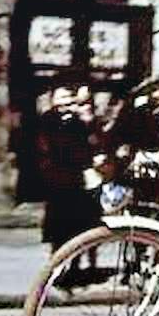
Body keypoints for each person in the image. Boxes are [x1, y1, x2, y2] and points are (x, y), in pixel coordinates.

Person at [35, 82, 101, 254]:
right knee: (58, 226)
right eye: (62, 97)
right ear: (54, 101)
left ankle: (76, 264)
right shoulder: (47, 120)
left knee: (78, 225)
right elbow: (45, 148)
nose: (66, 102)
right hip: (57, 179)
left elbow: (88, 146)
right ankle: (57, 262)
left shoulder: (78, 122)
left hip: (76, 179)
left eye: (68, 98)